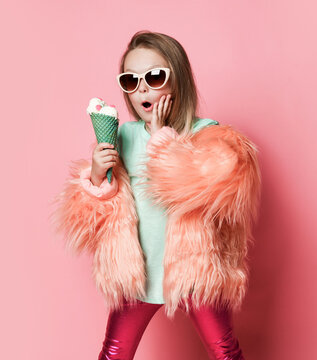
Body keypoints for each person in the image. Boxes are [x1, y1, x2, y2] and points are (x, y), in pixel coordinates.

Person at [50, 31, 261, 360]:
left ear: (177, 81)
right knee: (114, 352)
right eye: (131, 81)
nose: (143, 88)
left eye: (154, 76)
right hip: (137, 271)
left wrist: (162, 138)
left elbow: (199, 189)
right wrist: (95, 174)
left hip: (195, 271)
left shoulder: (206, 134)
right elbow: (101, 214)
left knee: (224, 351)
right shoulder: (123, 135)